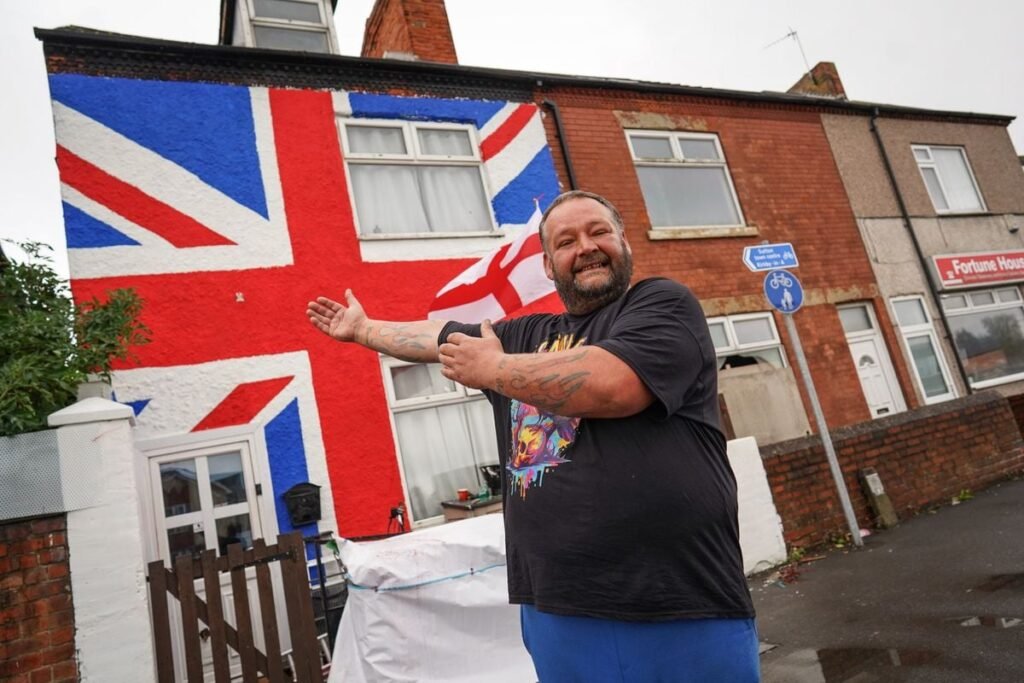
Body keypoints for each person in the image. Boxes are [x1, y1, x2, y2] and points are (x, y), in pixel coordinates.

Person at [307, 190, 759, 682]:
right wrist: (364, 329)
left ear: (624, 243)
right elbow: (435, 339)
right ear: (548, 265)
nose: (585, 246)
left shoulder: (662, 304)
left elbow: (612, 385)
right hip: (557, 610)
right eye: (567, 241)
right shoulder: (524, 335)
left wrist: (495, 367)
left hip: (681, 604)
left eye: (598, 232)